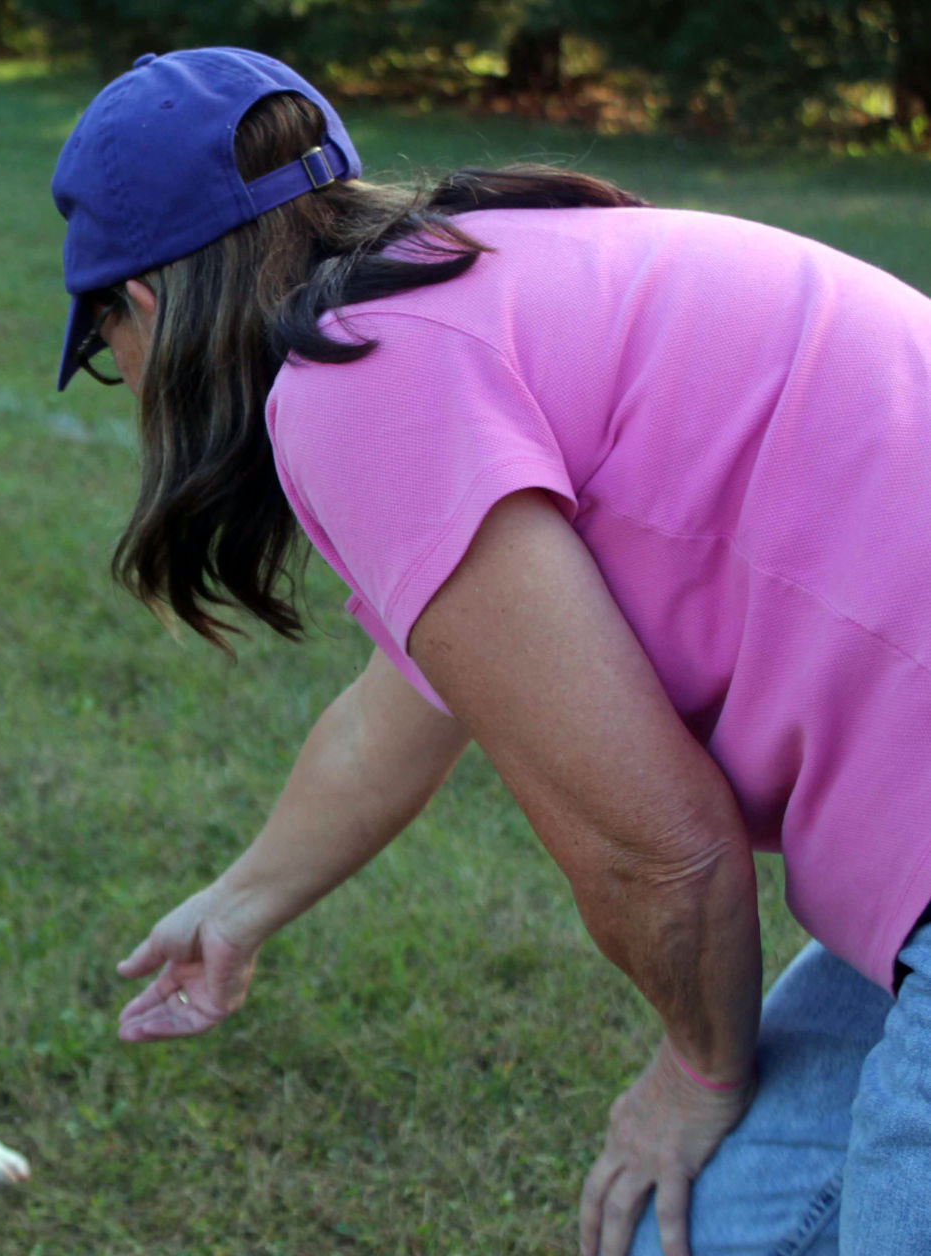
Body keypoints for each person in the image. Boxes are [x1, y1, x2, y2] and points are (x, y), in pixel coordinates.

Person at [49, 46, 931, 1256]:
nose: (126, 384)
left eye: (104, 347)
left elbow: (660, 852)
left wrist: (700, 1068)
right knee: (722, 1229)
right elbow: (399, 710)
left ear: (138, 306)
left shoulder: (356, 378)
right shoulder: (459, 284)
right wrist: (238, 904)